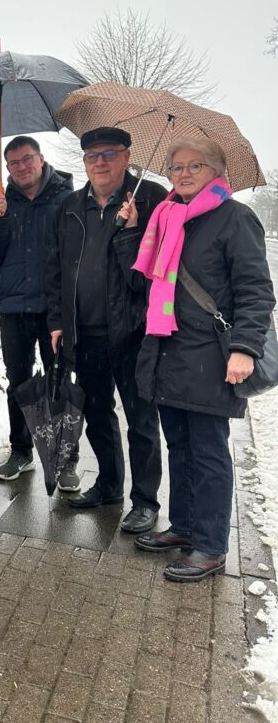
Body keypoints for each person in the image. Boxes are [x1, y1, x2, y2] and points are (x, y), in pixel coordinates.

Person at [132, 138, 275, 580]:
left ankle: (211, 545)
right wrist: (128, 230)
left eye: (196, 165)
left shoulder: (235, 218)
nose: (184, 173)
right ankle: (185, 526)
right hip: (169, 351)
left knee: (210, 451)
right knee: (180, 446)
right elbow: (147, 285)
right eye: (176, 167)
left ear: (217, 171)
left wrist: (245, 348)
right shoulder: (166, 217)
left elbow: (256, 291)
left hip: (210, 355)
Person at [47, 126, 166, 533]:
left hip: (135, 332)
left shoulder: (151, 199)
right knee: (97, 413)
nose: (100, 162)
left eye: (109, 154)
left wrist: (132, 231)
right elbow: (57, 269)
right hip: (86, 332)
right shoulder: (70, 206)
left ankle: (146, 501)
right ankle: (110, 485)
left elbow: (158, 274)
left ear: (127, 156)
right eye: (92, 156)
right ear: (83, 163)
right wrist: (58, 321)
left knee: (141, 419)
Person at [0, 136, 79, 486]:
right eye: (13, 163)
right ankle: (20, 451)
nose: (21, 167)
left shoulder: (67, 198)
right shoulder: (3, 205)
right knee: (18, 383)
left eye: (27, 159)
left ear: (40, 159)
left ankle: (65, 459)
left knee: (58, 383)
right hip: (16, 308)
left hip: (55, 310)